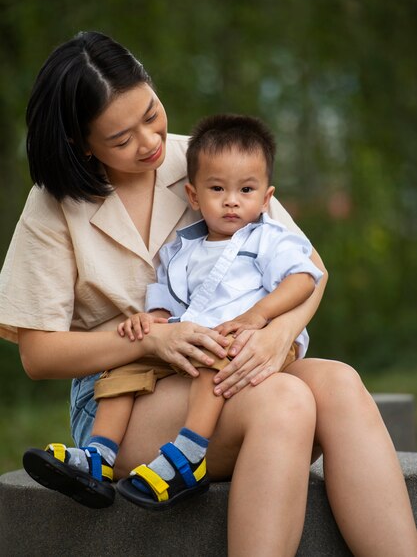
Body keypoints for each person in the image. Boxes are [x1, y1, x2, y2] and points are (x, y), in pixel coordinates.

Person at [0, 32, 415, 555]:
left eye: (152, 113)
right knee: (285, 399)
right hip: (124, 398)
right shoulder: (53, 205)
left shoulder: (206, 161)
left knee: (340, 383)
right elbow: (38, 355)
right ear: (83, 144)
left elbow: (309, 269)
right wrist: (152, 340)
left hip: (223, 363)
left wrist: (278, 332)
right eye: (122, 139)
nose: (149, 141)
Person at [24, 113, 323, 510]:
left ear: (265, 198)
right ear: (194, 196)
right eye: (217, 189)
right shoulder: (182, 249)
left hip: (244, 338)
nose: (232, 200)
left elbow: (307, 276)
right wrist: (152, 324)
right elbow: (164, 301)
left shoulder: (268, 237)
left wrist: (264, 319)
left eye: (149, 115)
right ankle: (99, 454)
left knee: (237, 365)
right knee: (123, 373)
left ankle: (189, 452)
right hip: (190, 344)